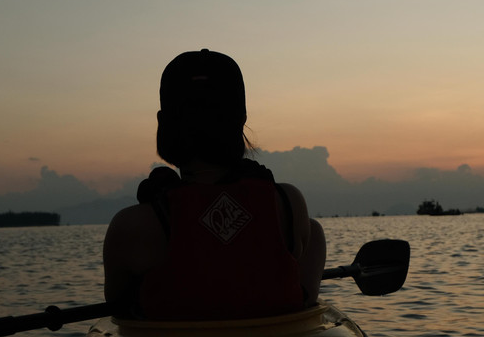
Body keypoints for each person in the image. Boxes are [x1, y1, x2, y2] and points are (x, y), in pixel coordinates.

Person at [102, 50, 326, 320]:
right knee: (313, 231)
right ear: (241, 119)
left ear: (164, 124)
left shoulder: (132, 227)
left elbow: (117, 308)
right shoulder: (289, 203)